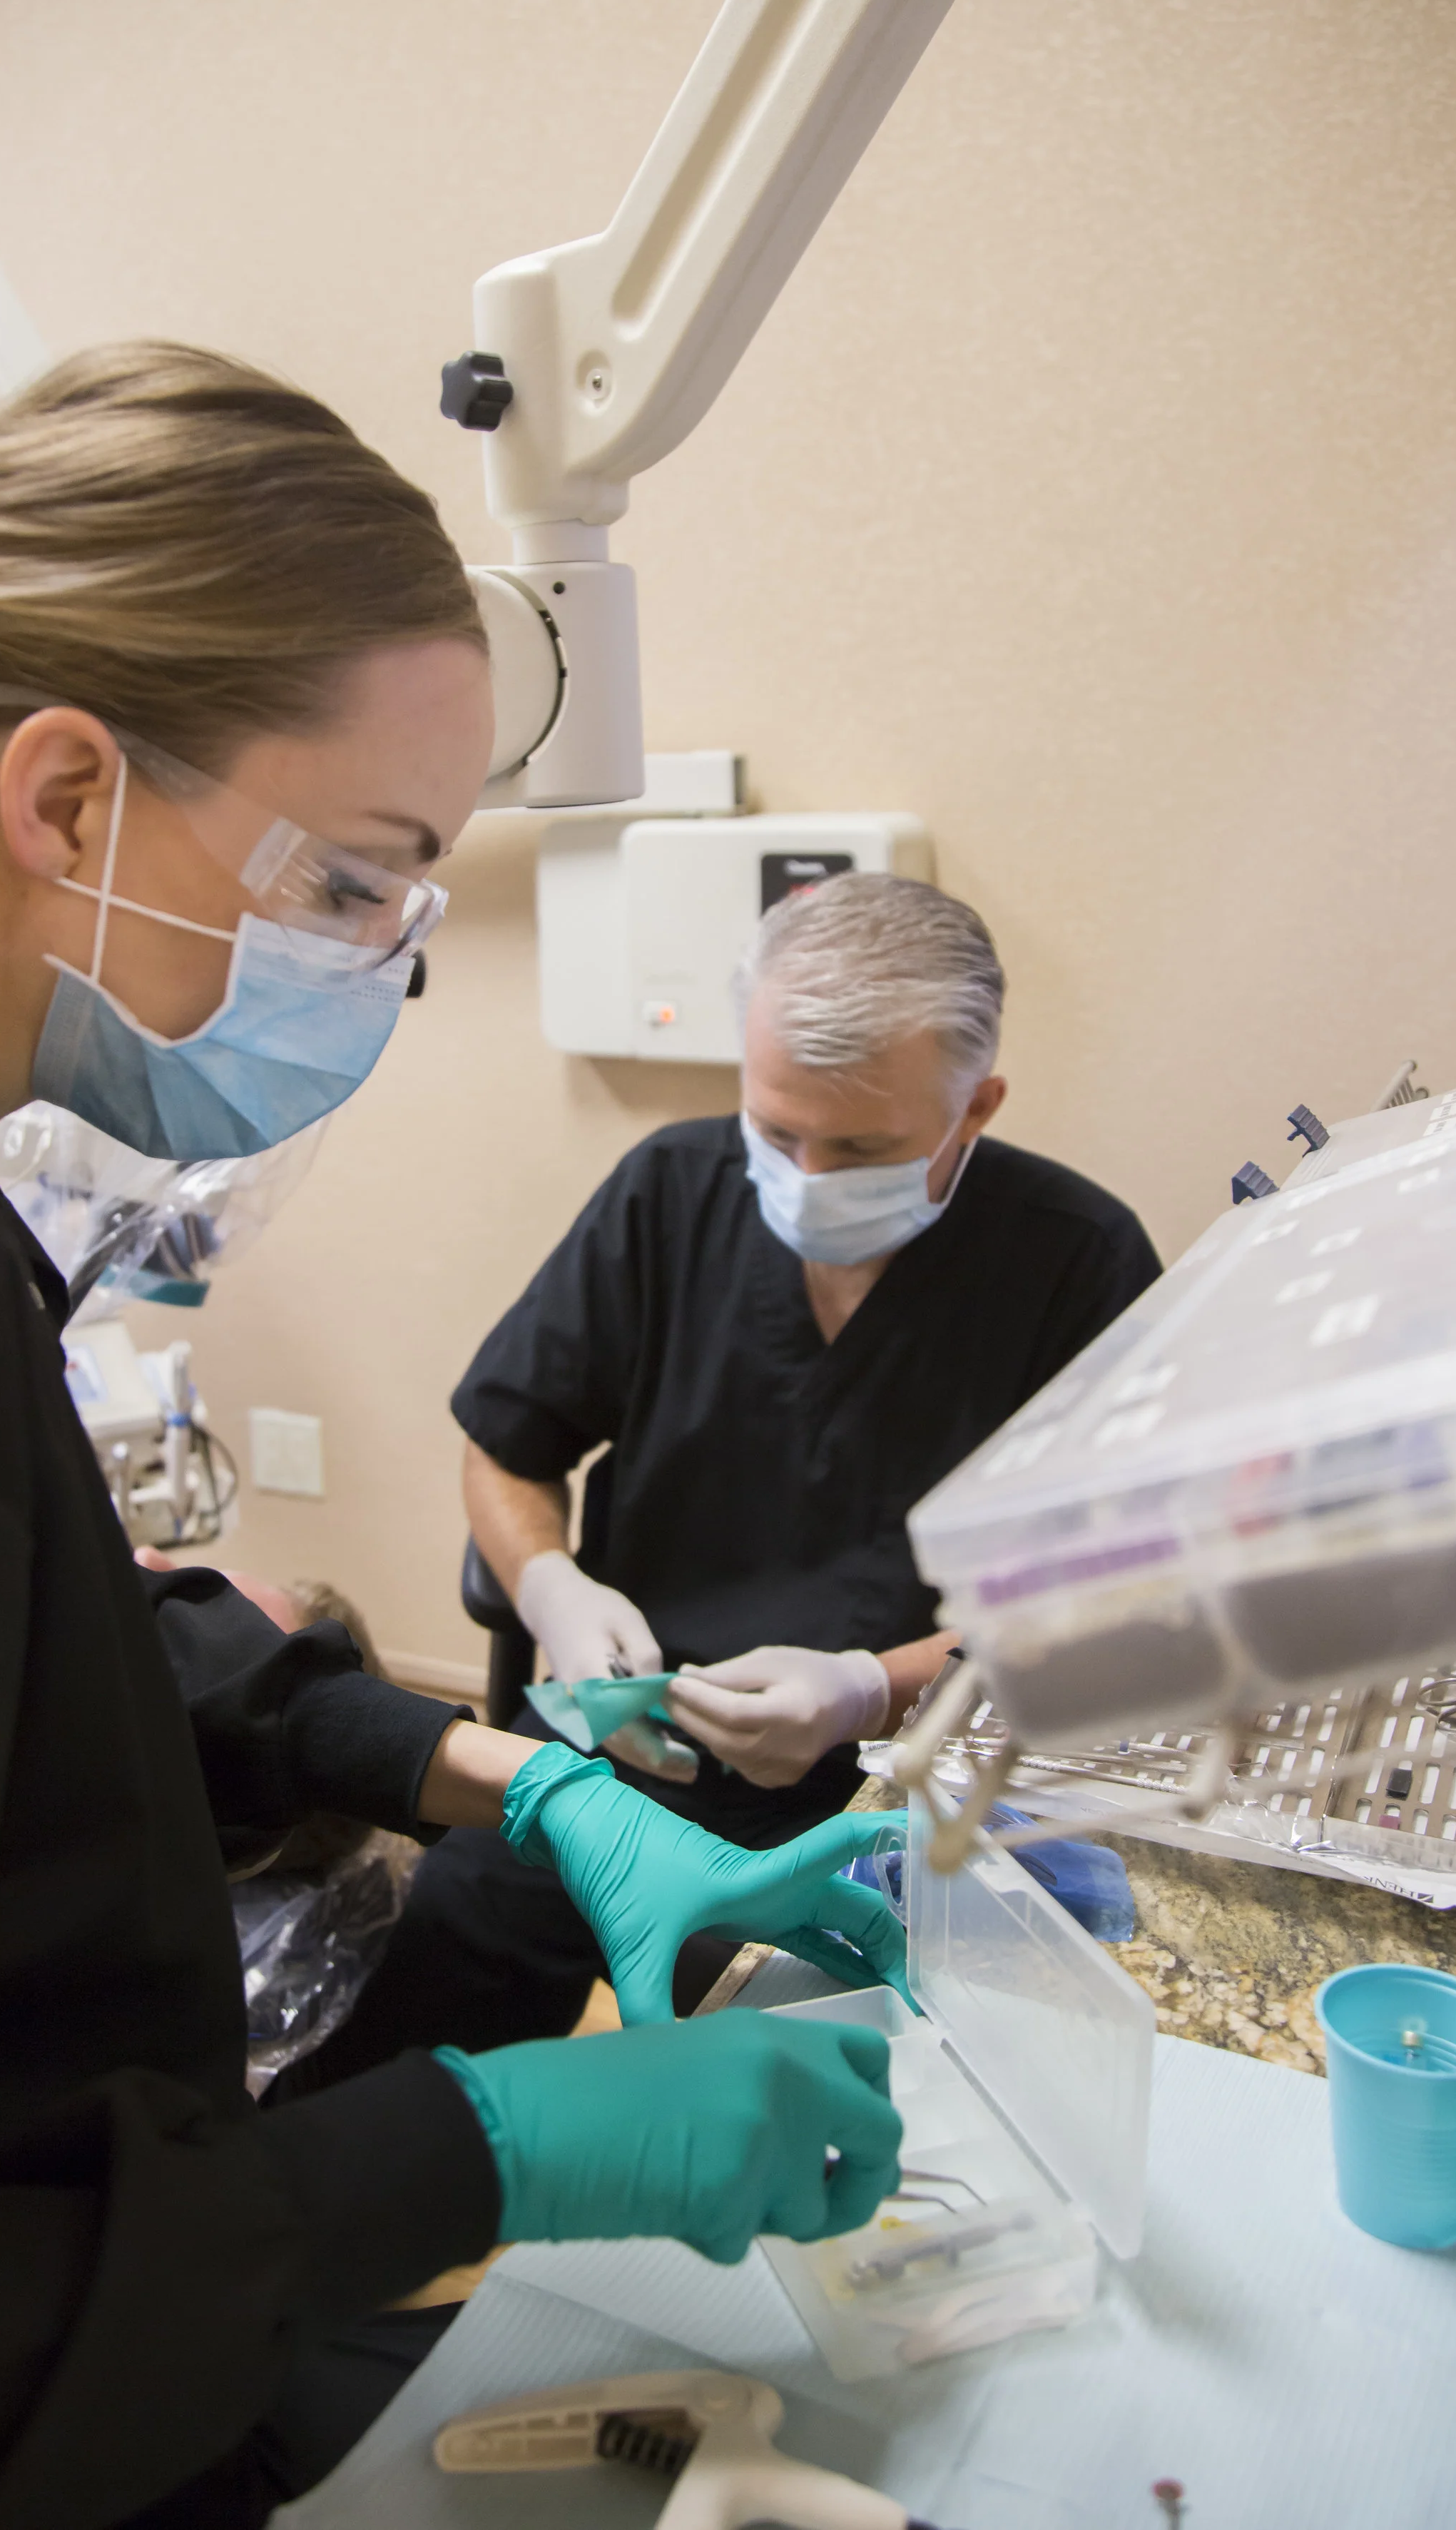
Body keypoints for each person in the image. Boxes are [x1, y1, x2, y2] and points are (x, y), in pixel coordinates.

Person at [0, 344, 908, 2530]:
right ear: (69, 799)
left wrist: (505, 1774)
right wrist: (487, 2144)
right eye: (355, 886)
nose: (376, 973)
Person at [309, 873, 1161, 2071]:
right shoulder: (671, 1191)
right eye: (776, 1131)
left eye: (861, 1148)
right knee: (425, 1993)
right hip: (622, 1757)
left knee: (814, 2070)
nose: (805, 1177)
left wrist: (868, 1690)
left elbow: (1090, 1608)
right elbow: (506, 1445)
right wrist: (553, 1587)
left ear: (974, 1109)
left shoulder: (1079, 1265)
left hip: (882, 1794)